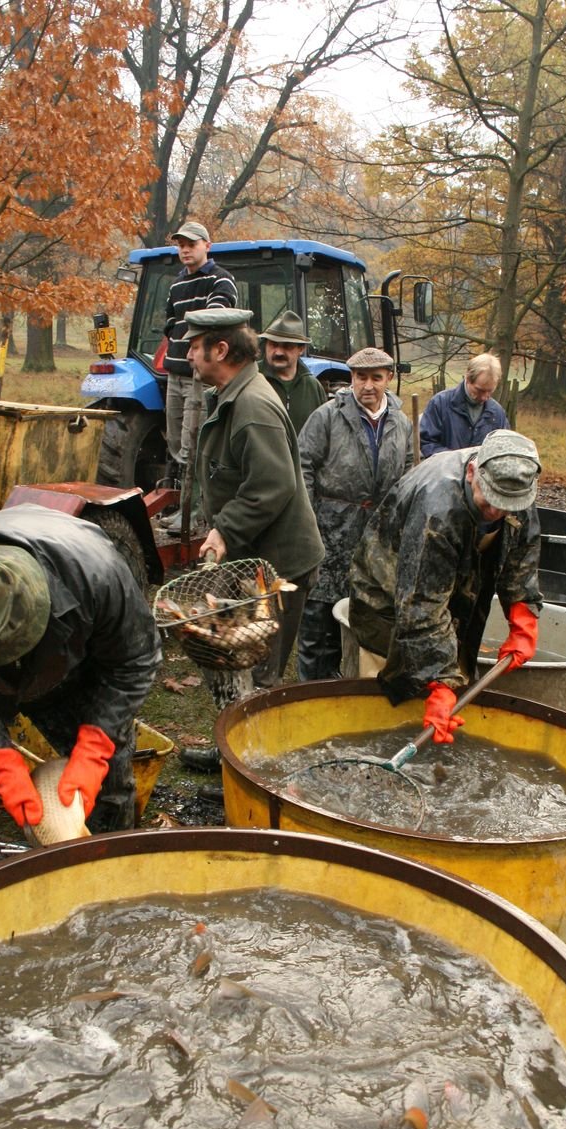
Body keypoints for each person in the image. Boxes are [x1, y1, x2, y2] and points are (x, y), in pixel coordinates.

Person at [0, 505, 161, 836]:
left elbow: (134, 661)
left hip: (69, 672)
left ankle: (108, 859)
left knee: (109, 778)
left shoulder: (99, 577)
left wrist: (96, 744)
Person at [179, 308, 325, 775]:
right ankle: (233, 751)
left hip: (277, 567)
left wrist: (224, 528)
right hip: (252, 559)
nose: (188, 353)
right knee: (232, 663)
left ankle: (254, 773)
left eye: (194, 345)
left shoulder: (253, 407)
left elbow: (272, 487)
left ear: (220, 350)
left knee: (258, 675)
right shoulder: (231, 394)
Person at [348, 430, 542, 739]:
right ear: (471, 473)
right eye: (490, 500)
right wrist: (440, 682)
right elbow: (420, 605)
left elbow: (522, 553)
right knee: (392, 687)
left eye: (506, 505)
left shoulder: (515, 486)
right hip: (388, 594)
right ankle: (373, 745)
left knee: (445, 672)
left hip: (453, 589)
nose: (496, 511)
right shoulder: (437, 506)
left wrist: (523, 617)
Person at [296, 347, 413, 680]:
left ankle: (351, 688)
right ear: (352, 379)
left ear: (388, 379)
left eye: (377, 378)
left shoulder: (401, 423)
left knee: (365, 615)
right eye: (361, 377)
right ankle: (312, 694)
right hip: (328, 531)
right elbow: (302, 464)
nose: (368, 386)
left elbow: (407, 476)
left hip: (376, 537)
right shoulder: (328, 416)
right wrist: (308, 521)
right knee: (318, 623)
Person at [160, 220, 238, 534]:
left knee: (196, 446)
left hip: (200, 377)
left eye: (191, 244)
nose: (185, 250)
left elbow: (214, 319)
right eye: (181, 245)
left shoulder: (221, 280)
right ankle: (185, 507)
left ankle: (193, 513)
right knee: (178, 444)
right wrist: (177, 335)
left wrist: (193, 343)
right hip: (175, 373)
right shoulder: (177, 284)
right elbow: (169, 319)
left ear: (207, 245)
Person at [419, 352, 510, 457]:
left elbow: (505, 449)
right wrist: (458, 460)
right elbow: (426, 443)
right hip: (445, 471)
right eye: (479, 390)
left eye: (489, 391)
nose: (484, 397)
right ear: (467, 378)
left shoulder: (497, 413)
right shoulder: (440, 403)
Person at [258, 310, 327, 434]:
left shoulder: (313, 388)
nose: (278, 352)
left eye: (287, 346)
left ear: (301, 349)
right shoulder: (251, 379)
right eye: (273, 345)